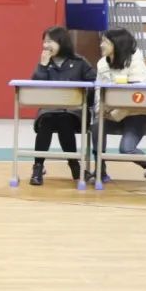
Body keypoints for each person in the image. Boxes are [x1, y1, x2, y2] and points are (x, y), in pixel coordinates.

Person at [89, 28, 146, 187]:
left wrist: (114, 112)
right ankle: (100, 169)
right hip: (111, 113)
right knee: (96, 126)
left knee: (126, 149)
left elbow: (135, 96)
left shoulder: (137, 63)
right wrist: (100, 110)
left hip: (137, 114)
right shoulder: (102, 63)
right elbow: (98, 89)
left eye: (105, 42)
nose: (101, 45)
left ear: (117, 44)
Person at [29, 26, 96, 186]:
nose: (46, 45)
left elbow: (94, 85)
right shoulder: (45, 64)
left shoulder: (79, 62)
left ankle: (74, 165)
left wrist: (83, 98)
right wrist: (42, 66)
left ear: (62, 42)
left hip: (74, 112)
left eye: (50, 41)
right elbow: (36, 88)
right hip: (49, 111)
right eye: (44, 42)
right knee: (47, 121)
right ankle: (38, 167)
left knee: (64, 120)